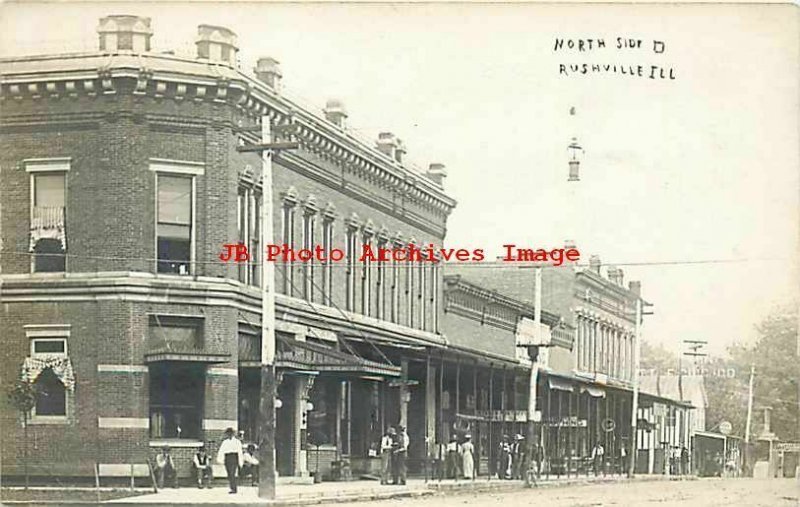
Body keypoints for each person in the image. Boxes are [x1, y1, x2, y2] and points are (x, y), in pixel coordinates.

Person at [217, 427, 244, 494]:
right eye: (228, 434)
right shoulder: (225, 442)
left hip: (234, 458)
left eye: (231, 433)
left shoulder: (237, 442)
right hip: (227, 458)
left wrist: (240, 462)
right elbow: (222, 451)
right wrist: (220, 459)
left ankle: (234, 489)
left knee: (232, 473)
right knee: (229, 474)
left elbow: (239, 452)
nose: (229, 435)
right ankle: (232, 487)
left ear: (233, 434)